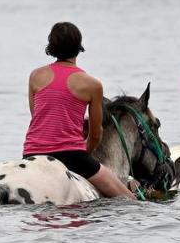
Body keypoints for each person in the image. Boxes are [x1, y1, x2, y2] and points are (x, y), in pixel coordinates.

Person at [22, 22, 136, 199]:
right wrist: (85, 153)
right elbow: (96, 133)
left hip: (32, 153)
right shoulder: (92, 84)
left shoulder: (35, 76)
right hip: (71, 156)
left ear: (51, 46)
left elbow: (37, 118)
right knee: (129, 199)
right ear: (79, 47)